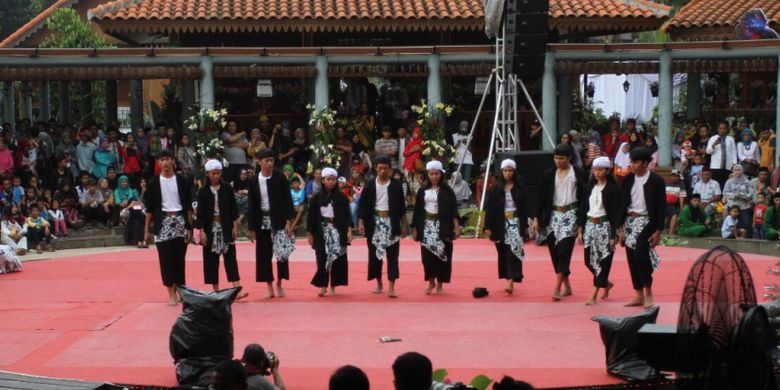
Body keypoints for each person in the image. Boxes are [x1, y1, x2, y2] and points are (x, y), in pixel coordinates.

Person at [532, 144, 587, 301]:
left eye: (561, 158)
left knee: (564, 251)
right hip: (553, 216)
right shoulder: (549, 174)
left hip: (571, 214)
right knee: (554, 252)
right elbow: (541, 197)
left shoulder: (577, 173)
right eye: (555, 158)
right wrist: (536, 218)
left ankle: (557, 287)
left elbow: (584, 198)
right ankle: (567, 286)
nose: (558, 161)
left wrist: (581, 223)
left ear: (569, 158)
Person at [144, 149, 193, 306]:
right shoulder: (153, 183)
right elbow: (150, 209)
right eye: (161, 159)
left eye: (167, 159)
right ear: (158, 163)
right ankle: (170, 293)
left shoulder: (182, 180)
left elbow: (188, 206)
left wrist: (190, 226)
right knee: (165, 260)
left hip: (180, 220)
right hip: (162, 222)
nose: (165, 162)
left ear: (173, 160)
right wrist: (146, 230)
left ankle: (181, 289)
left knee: (180, 259)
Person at [618, 147, 665, 309]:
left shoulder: (656, 181)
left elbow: (661, 207)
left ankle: (648, 293)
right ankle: (638, 294)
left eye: (636, 162)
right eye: (631, 161)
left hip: (647, 222)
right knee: (631, 258)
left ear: (645, 163)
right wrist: (621, 228)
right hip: (629, 221)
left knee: (640, 256)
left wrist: (658, 231)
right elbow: (622, 204)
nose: (632, 165)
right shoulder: (628, 180)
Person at [247, 148, 296, 300]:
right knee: (263, 255)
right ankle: (269, 287)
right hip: (262, 221)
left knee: (281, 254)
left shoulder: (280, 178)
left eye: (272, 160)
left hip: (279, 220)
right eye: (266, 161)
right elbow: (251, 204)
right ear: (259, 162)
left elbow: (287, 200)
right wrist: (251, 227)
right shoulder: (254, 180)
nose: (270, 163)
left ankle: (280, 284)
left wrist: (289, 222)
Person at [358, 156, 407, 298]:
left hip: (391, 222)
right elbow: (363, 205)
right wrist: (361, 222)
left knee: (392, 256)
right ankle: (379, 283)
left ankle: (392, 286)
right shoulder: (370, 185)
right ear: (375, 168)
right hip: (374, 223)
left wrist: (404, 224)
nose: (383, 171)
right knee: (374, 256)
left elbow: (402, 207)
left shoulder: (396, 185)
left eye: (385, 168)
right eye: (380, 168)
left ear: (390, 169)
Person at [197, 160, 248, 298]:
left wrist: (235, 225)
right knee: (211, 259)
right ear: (207, 174)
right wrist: (201, 230)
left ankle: (236, 289)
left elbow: (233, 208)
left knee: (230, 257)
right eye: (213, 173)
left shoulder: (227, 188)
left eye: (218, 173)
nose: (216, 176)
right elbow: (200, 212)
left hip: (226, 226)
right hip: (210, 227)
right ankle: (215, 290)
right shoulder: (203, 191)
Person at [411, 160, 460, 295]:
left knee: (443, 256)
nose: (434, 177)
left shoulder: (447, 191)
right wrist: (415, 228)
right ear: (428, 175)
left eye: (436, 174)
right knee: (426, 257)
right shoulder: (422, 191)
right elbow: (417, 211)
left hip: (443, 226)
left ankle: (440, 285)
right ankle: (431, 281)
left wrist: (456, 227)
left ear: (441, 174)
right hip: (426, 226)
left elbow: (453, 210)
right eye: (431, 174)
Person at [577, 157, 619, 305]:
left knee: (603, 260)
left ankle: (594, 293)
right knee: (588, 261)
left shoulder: (613, 190)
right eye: (595, 169)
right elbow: (583, 208)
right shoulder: (589, 187)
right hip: (589, 226)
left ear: (607, 171)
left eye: (600, 169)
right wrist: (580, 229)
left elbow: (615, 213)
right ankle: (606, 284)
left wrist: (614, 234)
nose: (597, 172)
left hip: (604, 227)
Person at [484, 159, 527, 294]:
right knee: (502, 251)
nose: (508, 173)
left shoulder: (519, 187)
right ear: (501, 172)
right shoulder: (496, 188)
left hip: (515, 222)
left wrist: (527, 225)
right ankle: (508, 277)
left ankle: (511, 281)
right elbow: (489, 208)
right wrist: (487, 226)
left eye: (510, 170)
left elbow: (525, 207)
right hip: (499, 224)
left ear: (514, 172)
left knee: (513, 251)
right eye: (505, 171)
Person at [307, 167, 351, 296]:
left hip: (338, 231)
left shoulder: (342, 198)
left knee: (337, 259)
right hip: (321, 231)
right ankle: (322, 286)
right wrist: (310, 233)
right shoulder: (316, 199)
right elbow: (311, 217)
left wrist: (349, 230)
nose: (331, 182)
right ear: (323, 180)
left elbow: (347, 215)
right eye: (328, 179)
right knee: (322, 260)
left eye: (333, 179)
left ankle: (333, 286)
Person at [723, 164, 756, 238]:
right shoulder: (729, 182)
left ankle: (748, 239)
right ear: (733, 171)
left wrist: (744, 196)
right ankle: (734, 238)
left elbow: (751, 193)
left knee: (746, 223)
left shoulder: (747, 182)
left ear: (742, 171)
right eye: (735, 170)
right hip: (733, 205)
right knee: (733, 223)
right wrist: (733, 195)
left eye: (739, 170)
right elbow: (725, 193)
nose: (737, 172)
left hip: (744, 205)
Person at [706, 121, 738, 188]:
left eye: (724, 128)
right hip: (715, 167)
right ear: (718, 129)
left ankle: (724, 198)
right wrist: (714, 144)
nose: (722, 130)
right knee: (716, 185)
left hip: (728, 167)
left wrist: (734, 164)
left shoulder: (731, 139)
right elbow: (708, 152)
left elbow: (734, 152)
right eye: (721, 128)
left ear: (727, 129)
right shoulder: (713, 138)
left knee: (726, 185)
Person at [664, 170, 686, 235]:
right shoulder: (665, 183)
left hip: (672, 204)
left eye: (675, 176)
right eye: (672, 176)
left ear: (678, 177)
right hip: (663, 203)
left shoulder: (681, 184)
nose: (673, 178)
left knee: (674, 214)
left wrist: (682, 208)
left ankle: (671, 232)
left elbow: (681, 197)